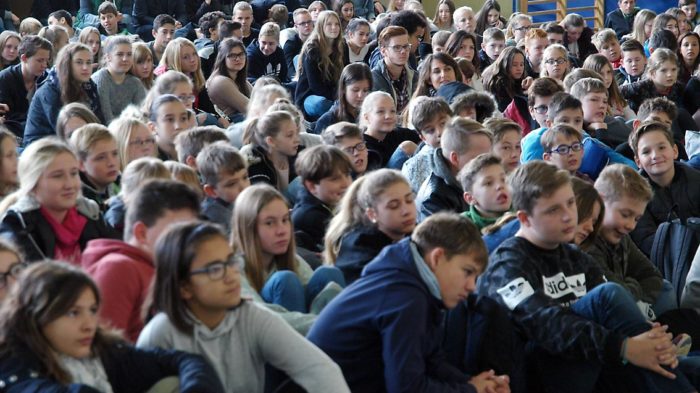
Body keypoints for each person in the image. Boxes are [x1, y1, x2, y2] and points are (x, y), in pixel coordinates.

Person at [476, 161, 695, 393]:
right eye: (553, 210)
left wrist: (646, 335)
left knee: (682, 364)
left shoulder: (574, 257)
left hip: (593, 359)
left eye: (570, 203)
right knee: (608, 296)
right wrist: (624, 346)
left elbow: (617, 309)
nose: (568, 216)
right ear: (525, 218)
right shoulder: (506, 264)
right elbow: (546, 324)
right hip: (538, 374)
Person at [135, 220, 349, 392]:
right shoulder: (159, 335)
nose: (231, 276)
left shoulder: (252, 317)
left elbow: (318, 369)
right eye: (215, 269)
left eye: (231, 262)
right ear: (184, 287)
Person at [311, 212, 511, 392]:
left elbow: (430, 361)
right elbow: (407, 388)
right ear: (438, 258)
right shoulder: (406, 298)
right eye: (467, 272)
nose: (472, 287)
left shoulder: (409, 281)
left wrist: (472, 383)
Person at [0, 261, 226, 393]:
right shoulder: (12, 368)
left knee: (173, 382)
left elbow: (184, 360)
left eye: (92, 310)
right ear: (36, 316)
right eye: (73, 313)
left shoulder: (101, 351)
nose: (89, 324)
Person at [82, 179, 199, 342]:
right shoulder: (119, 268)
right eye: (176, 231)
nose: (187, 241)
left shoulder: (164, 267)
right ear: (142, 233)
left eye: (191, 232)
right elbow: (103, 348)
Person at [231, 184, 346, 313]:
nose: (282, 231)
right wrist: (324, 322)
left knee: (328, 273)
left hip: (309, 326)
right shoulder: (232, 268)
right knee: (284, 281)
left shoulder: (292, 259)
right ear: (248, 228)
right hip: (267, 329)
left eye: (285, 220)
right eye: (270, 223)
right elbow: (259, 316)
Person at [0, 138, 117, 264]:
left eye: (73, 173)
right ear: (33, 183)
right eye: (57, 176)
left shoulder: (89, 211)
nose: (69, 184)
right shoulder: (17, 224)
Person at [588, 163, 674, 320]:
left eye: (637, 219)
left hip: (628, 302)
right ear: (599, 202)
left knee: (665, 287)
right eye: (625, 214)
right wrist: (633, 286)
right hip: (602, 319)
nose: (631, 225)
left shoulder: (622, 237)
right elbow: (613, 294)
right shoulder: (586, 242)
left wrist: (630, 289)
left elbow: (652, 275)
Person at [628, 121, 700, 255]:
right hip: (669, 264)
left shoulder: (696, 179)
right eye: (646, 152)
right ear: (638, 162)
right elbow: (647, 241)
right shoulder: (634, 195)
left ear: (675, 151)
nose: (655, 155)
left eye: (661, 147)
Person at [23, 43, 104, 148]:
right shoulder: (49, 90)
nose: (85, 67)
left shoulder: (90, 86)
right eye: (79, 62)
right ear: (67, 64)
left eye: (88, 63)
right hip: (41, 146)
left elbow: (99, 121)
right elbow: (63, 130)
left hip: (77, 139)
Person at [416, 117, 492, 221]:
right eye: (480, 158)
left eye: (489, 157)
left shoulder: (483, 176)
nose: (488, 164)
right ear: (455, 158)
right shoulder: (433, 200)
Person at [292, 145, 352, 253]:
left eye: (347, 175)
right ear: (312, 186)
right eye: (335, 179)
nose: (346, 183)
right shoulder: (311, 217)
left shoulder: (330, 201)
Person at [295, 10, 344, 119]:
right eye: (329, 24)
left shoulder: (341, 47)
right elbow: (315, 85)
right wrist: (337, 98)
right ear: (321, 26)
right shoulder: (312, 49)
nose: (334, 27)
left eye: (337, 24)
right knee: (323, 104)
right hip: (310, 96)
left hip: (333, 94)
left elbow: (344, 76)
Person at [0, 35, 52, 139]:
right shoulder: (5, 78)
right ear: (24, 58)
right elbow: (6, 116)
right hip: (13, 133)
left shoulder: (47, 78)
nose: (45, 65)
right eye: (40, 60)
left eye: (46, 60)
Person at [401, 96, 453, 192]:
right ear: (423, 138)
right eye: (430, 130)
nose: (439, 132)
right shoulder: (412, 168)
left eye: (443, 123)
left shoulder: (471, 148)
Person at [92, 36, 147, 124]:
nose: (125, 59)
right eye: (120, 54)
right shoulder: (101, 78)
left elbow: (142, 117)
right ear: (108, 57)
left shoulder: (135, 83)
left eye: (129, 54)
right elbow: (107, 119)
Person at [243, 110, 301, 191]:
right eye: (290, 135)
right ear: (271, 141)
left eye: (296, 133)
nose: (297, 140)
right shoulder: (256, 166)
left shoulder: (300, 153)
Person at [359, 91, 421, 167]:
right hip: (383, 178)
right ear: (367, 117)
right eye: (380, 111)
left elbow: (424, 136)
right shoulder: (362, 146)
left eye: (392, 111)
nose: (388, 116)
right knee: (406, 147)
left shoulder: (399, 134)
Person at [198, 143, 249, 233]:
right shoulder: (213, 217)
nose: (243, 187)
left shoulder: (239, 202)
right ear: (211, 191)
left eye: (245, 177)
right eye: (232, 184)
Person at [69, 124, 121, 211]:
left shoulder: (121, 181)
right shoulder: (78, 202)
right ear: (81, 164)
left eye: (115, 154)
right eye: (101, 157)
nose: (111, 163)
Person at [371, 26, 418, 115]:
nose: (403, 51)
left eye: (406, 46)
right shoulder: (373, 80)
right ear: (383, 51)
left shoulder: (416, 77)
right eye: (397, 47)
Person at [315, 62, 372, 134]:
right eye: (355, 90)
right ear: (344, 89)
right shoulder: (327, 121)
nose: (360, 95)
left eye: (365, 90)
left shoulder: (373, 116)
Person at [459, 153, 512, 231]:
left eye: (503, 180)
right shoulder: (461, 226)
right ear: (470, 198)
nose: (500, 186)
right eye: (489, 183)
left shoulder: (525, 212)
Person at [621, 48, 683, 114]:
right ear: (652, 73)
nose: (670, 74)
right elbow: (616, 92)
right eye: (664, 70)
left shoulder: (678, 88)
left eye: (673, 70)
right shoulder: (640, 87)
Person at [206, 37, 252, 123]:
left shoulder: (238, 76)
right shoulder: (220, 81)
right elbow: (250, 108)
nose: (238, 59)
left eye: (241, 54)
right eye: (232, 55)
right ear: (223, 58)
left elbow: (256, 97)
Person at [582, 54, 634, 120]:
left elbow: (633, 119)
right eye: (601, 74)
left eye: (608, 72)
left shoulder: (615, 95)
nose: (606, 77)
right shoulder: (588, 104)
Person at [482, 46, 528, 112]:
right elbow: (506, 110)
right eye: (514, 65)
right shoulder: (498, 83)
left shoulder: (521, 79)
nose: (519, 68)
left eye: (521, 64)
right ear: (505, 64)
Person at [283, 9, 314, 79]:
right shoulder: (290, 45)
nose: (307, 25)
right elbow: (290, 71)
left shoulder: (319, 41)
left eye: (309, 22)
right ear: (296, 26)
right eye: (303, 23)